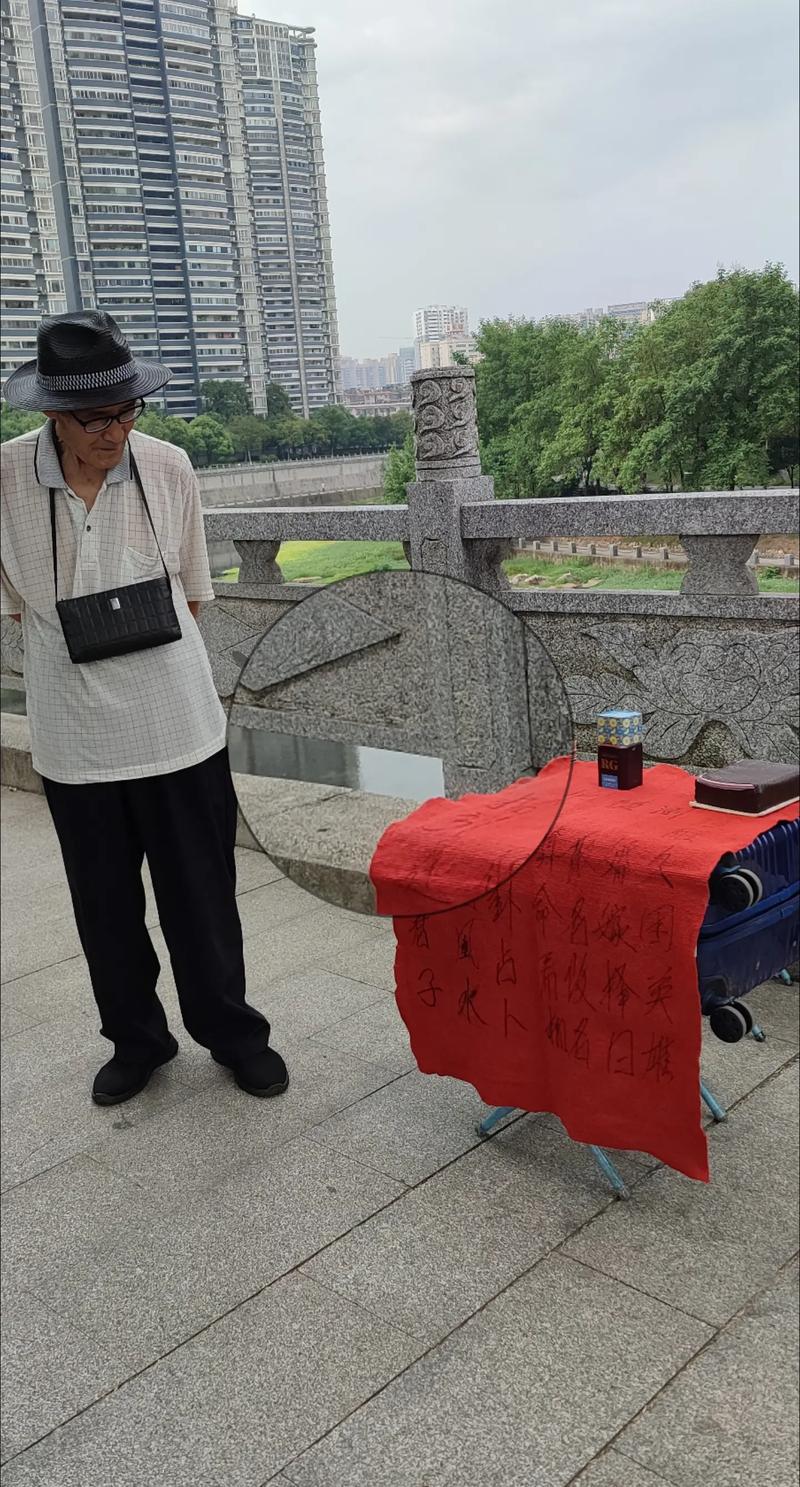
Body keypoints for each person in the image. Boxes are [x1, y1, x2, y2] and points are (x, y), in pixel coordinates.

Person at [1, 311, 288, 1105]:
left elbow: (192, 594)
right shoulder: (6, 477)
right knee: (104, 908)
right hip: (72, 737)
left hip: (178, 728)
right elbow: (17, 605)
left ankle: (234, 1034)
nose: (116, 432)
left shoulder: (167, 466)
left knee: (203, 898)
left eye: (128, 411)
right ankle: (137, 1041)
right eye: (96, 419)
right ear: (55, 415)